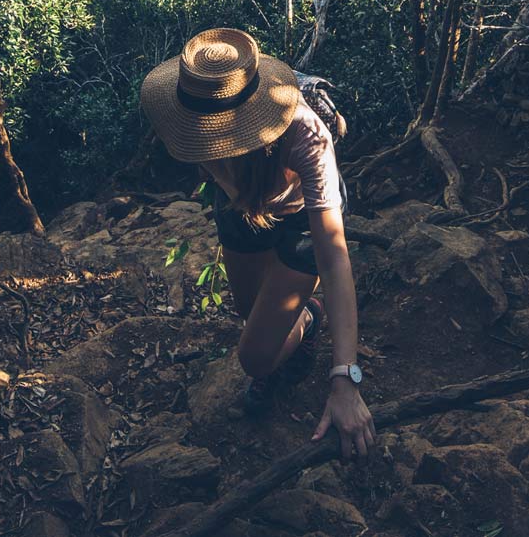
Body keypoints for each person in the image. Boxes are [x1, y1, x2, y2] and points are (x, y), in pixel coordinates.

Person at [140, 27, 377, 458]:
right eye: (199, 131)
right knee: (249, 312)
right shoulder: (187, 115)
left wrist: (344, 378)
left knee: (255, 358)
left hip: (301, 215)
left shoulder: (305, 135)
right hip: (241, 209)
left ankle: (306, 317)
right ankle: (299, 317)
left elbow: (334, 256)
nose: (202, 139)